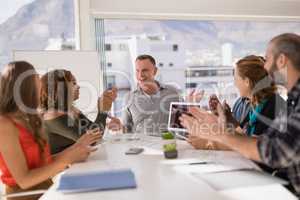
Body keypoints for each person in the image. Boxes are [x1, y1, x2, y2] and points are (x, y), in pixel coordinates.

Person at [180, 33, 300, 196]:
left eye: (268, 58)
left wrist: (219, 133)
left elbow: (276, 152)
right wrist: (222, 124)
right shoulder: (293, 100)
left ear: (281, 60)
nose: (265, 67)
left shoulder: (282, 104)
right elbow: (265, 141)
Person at [0, 61, 101, 200]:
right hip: (27, 196)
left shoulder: (30, 119)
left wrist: (77, 148)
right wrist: (66, 159)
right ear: (25, 88)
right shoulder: (4, 124)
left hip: (47, 190)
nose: (41, 90)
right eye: (36, 84)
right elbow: (24, 181)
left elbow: (44, 162)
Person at [188, 55, 285, 150]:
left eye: (236, 79)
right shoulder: (254, 103)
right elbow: (242, 135)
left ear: (247, 82)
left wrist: (208, 144)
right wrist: (228, 118)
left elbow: (251, 145)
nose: (235, 83)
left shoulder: (273, 105)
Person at [40, 69, 118, 154]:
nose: (78, 86)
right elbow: (92, 140)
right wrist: (103, 112)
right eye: (73, 83)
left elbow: (92, 129)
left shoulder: (72, 110)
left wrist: (104, 106)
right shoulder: (52, 114)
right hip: (63, 166)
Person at [116, 54, 182, 135]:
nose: (140, 75)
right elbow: (127, 132)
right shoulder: (128, 98)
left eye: (145, 70)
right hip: (141, 146)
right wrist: (119, 127)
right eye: (137, 71)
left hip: (167, 145)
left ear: (155, 71)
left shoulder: (173, 93)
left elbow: (184, 122)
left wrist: (193, 105)